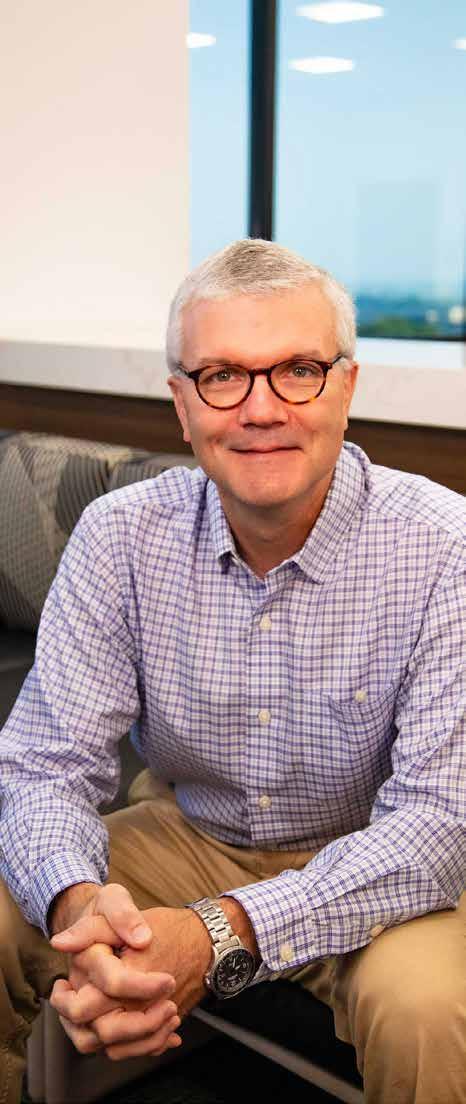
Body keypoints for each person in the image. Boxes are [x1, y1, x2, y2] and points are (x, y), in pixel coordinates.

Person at [0, 239, 464, 1104]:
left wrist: (217, 933)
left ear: (347, 388)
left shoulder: (446, 548)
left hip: (381, 860)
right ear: (182, 404)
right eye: (221, 376)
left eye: (297, 371)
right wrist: (79, 906)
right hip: (190, 832)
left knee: (428, 1011)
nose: (260, 408)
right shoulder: (120, 535)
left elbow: (437, 826)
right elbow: (44, 764)